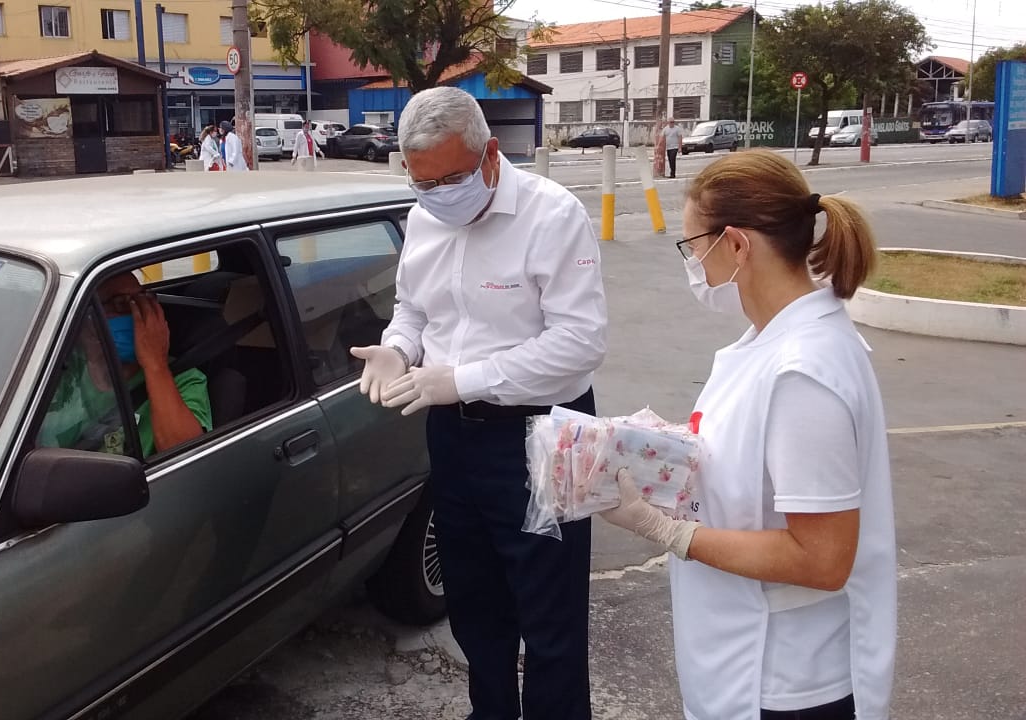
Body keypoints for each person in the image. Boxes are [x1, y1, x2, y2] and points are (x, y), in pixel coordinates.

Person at [597, 150, 895, 720]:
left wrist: (665, 529)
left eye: (693, 248)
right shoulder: (769, 343)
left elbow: (823, 559)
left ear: (736, 245)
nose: (694, 269)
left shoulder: (802, 372)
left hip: (782, 679)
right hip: (744, 660)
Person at [353, 86, 608, 720]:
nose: (439, 194)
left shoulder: (552, 215)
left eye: (452, 177)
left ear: (490, 154)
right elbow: (414, 306)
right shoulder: (424, 217)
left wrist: (462, 379)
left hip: (543, 437)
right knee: (473, 599)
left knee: (549, 613)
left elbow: (579, 344)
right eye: (423, 182)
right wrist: (398, 349)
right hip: (455, 437)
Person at [39, 272, 212, 456]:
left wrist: (155, 364)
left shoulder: (185, 379)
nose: (139, 314)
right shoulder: (60, 367)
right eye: (121, 303)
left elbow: (185, 458)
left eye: (144, 301)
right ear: (87, 317)